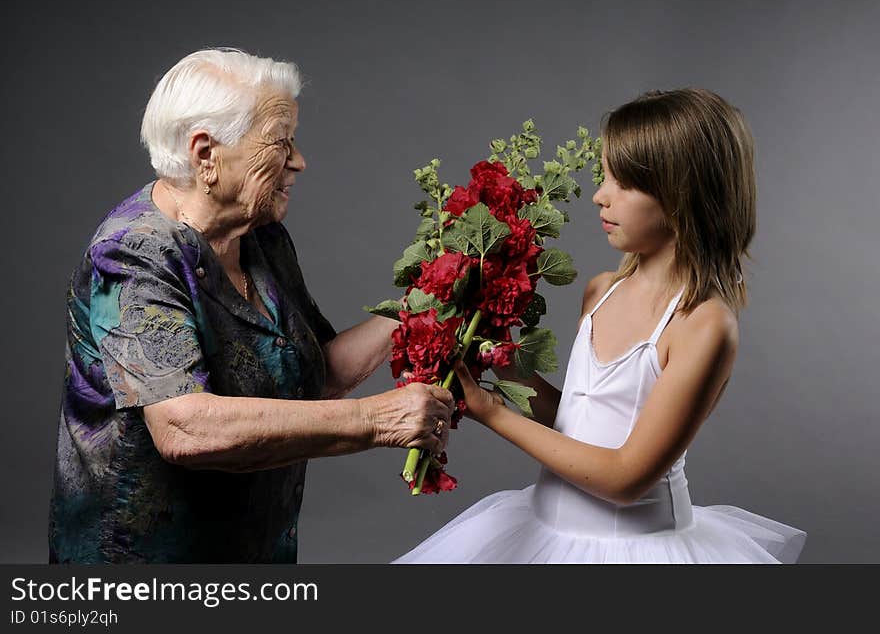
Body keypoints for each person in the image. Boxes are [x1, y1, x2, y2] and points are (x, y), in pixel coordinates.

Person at [49, 48, 453, 563]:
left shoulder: (261, 237)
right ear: (205, 154)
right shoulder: (134, 253)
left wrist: (422, 306)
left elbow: (315, 375)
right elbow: (183, 428)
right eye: (281, 142)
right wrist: (376, 421)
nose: (299, 160)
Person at [394, 88, 808, 563]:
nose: (598, 196)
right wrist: (502, 364)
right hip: (546, 529)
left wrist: (493, 412)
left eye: (623, 183)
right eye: (603, 177)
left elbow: (625, 478)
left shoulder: (703, 324)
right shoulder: (601, 291)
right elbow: (574, 423)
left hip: (636, 548)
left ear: (683, 197)